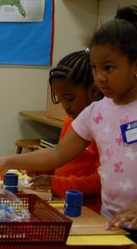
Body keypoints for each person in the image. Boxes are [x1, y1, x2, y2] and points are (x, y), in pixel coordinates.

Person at [0, 5, 137, 249]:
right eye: (95, 68)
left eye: (109, 68)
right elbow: (57, 153)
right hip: (112, 222)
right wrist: (9, 161)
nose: (99, 77)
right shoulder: (97, 112)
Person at [30, 50, 102, 213]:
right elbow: (60, 157)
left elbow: (99, 181)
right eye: (60, 99)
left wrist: (55, 183)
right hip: (62, 202)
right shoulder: (71, 120)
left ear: (93, 91)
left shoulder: (102, 127)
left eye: (70, 98)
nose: (65, 106)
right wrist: (41, 171)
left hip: (87, 210)